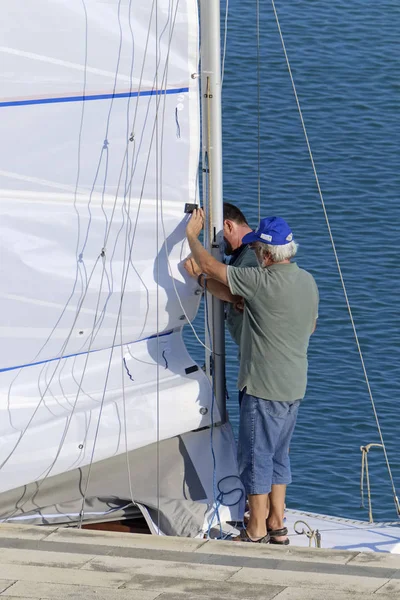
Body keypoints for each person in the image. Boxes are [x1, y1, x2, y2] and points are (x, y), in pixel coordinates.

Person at [185, 209, 319, 545]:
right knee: (278, 455)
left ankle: (256, 529)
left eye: (258, 248)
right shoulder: (307, 281)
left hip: (263, 385)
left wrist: (191, 238)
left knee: (255, 457)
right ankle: (277, 522)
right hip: (294, 385)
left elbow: (215, 269)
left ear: (267, 253)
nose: (255, 253)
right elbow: (311, 326)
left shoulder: (262, 281)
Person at [184, 203, 258, 405]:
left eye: (215, 235)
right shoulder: (244, 254)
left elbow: (234, 294)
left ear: (228, 225)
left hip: (257, 369)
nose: (216, 243)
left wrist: (199, 276)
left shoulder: (251, 256)